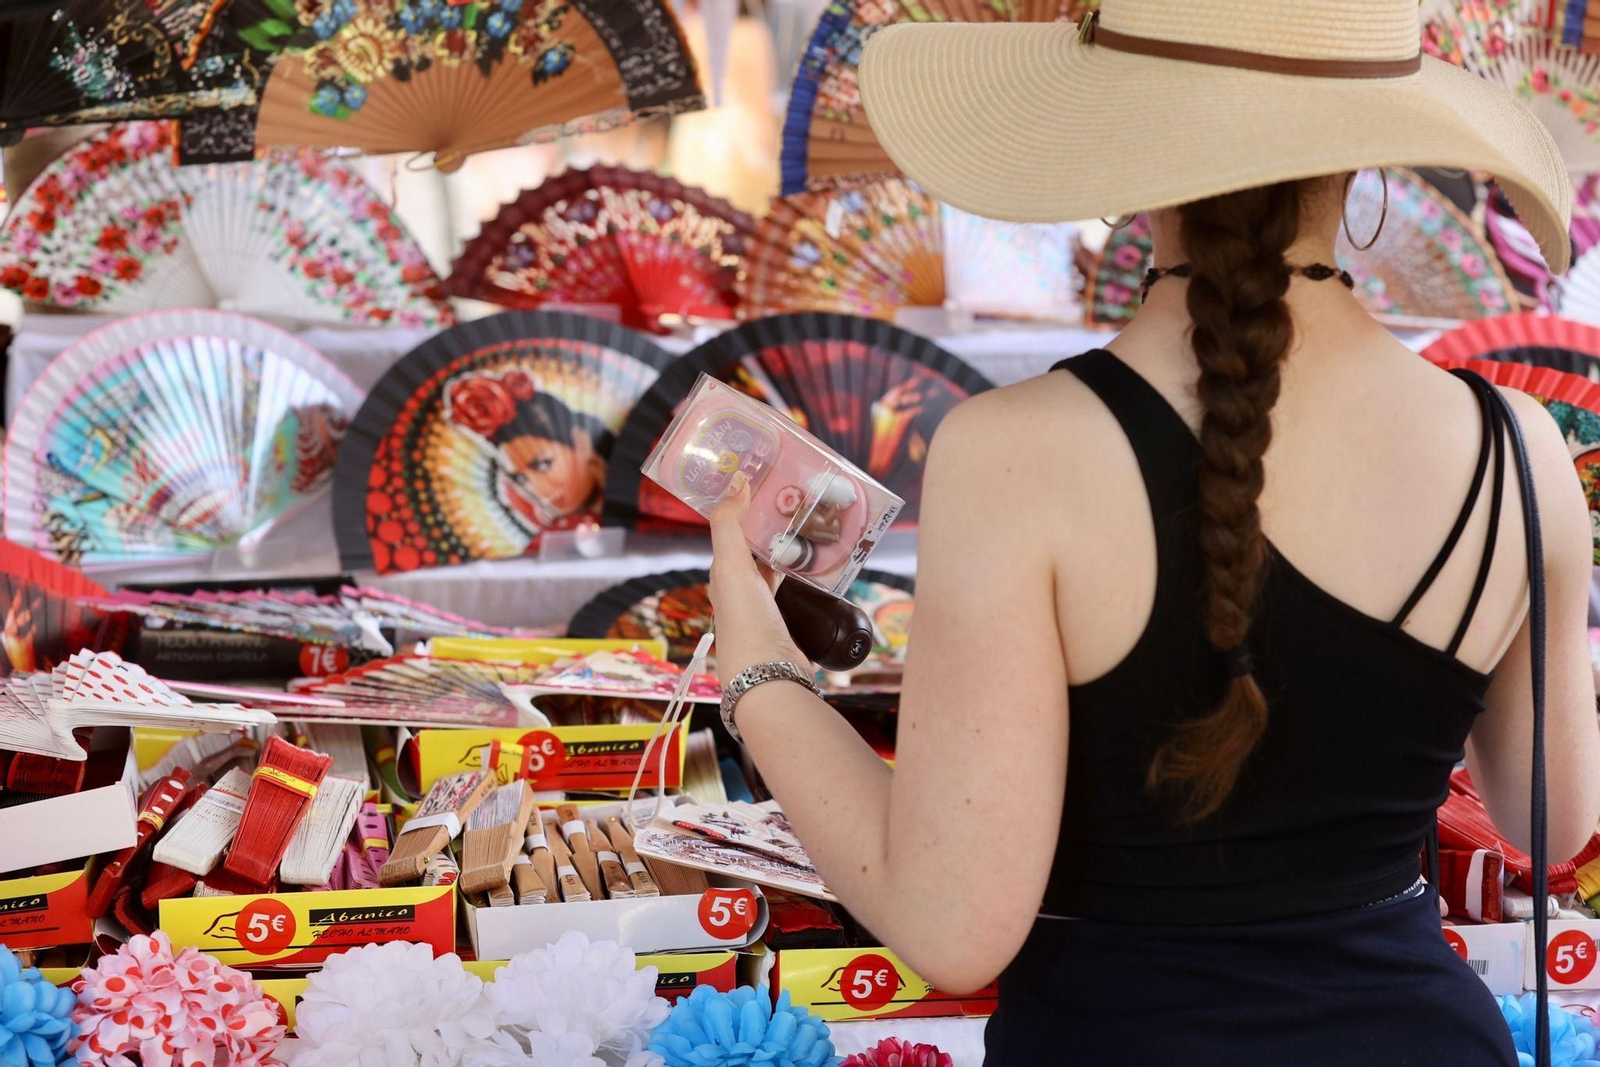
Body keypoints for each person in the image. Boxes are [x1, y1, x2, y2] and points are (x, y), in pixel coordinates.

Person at [706, 1, 1600, 1062]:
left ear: (1123, 138)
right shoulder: (1520, 447)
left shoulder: (1013, 451)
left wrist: (758, 669)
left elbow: (953, 927)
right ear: (1364, 155)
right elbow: (1552, 821)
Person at [446, 367, 611, 532]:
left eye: (544, 465)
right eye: (521, 479)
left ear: (581, 442)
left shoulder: (626, 489)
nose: (540, 491)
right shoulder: (545, 537)